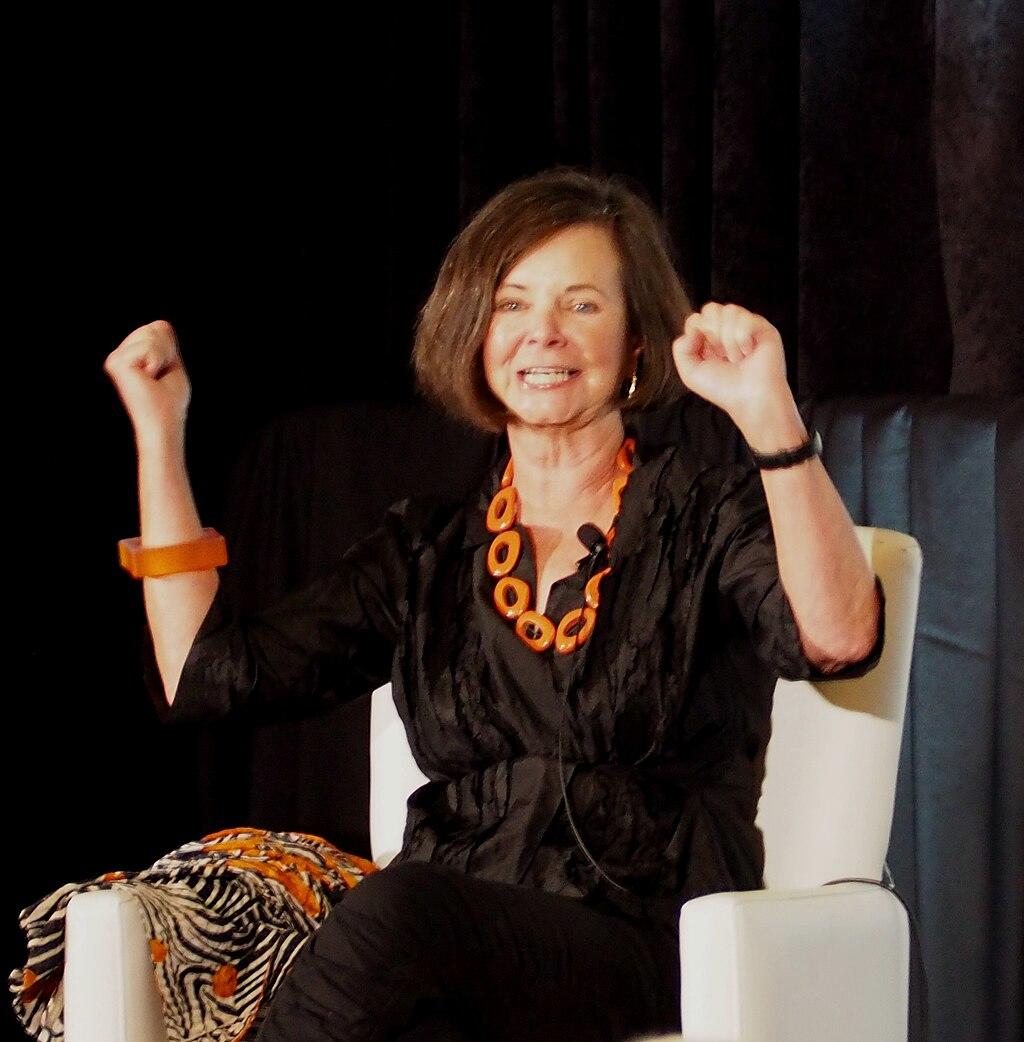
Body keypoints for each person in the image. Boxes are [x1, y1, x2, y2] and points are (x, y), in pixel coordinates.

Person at [104, 167, 884, 1041]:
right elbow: (205, 677)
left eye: (582, 304)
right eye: (511, 305)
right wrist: (160, 433)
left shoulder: (706, 513)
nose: (541, 333)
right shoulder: (427, 551)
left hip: (645, 940)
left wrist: (770, 417)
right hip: (460, 941)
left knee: (400, 916)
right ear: (474, 334)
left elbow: (840, 637)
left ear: (637, 342)